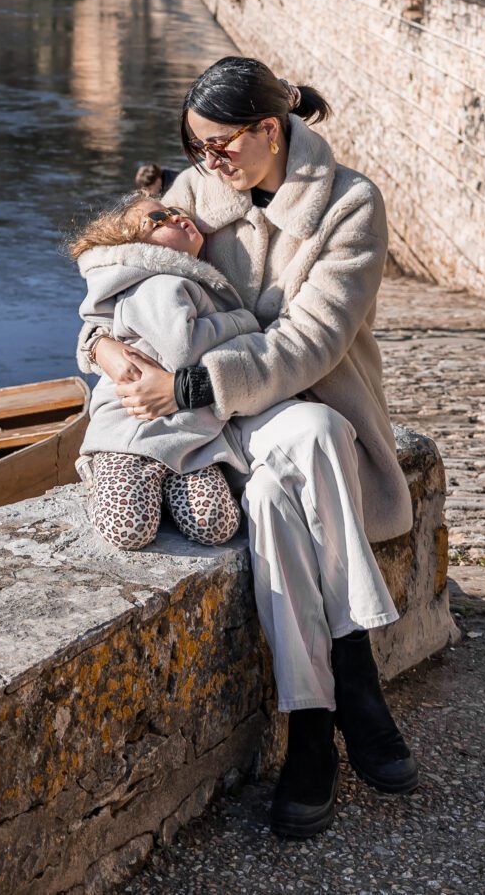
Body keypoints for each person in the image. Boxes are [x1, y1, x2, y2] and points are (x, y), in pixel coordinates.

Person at [79, 57, 417, 840]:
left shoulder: (350, 205)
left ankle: (311, 727)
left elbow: (311, 343)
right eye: (198, 149)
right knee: (293, 461)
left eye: (223, 146)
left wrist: (190, 387)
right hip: (223, 429)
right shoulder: (194, 192)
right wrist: (103, 352)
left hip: (294, 405)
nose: (209, 165)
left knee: (290, 476)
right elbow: (115, 281)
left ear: (271, 129)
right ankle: (357, 680)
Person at [70, 195, 256, 549]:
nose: (174, 218)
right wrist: (244, 320)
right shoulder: (160, 282)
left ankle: (165, 488)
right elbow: (183, 348)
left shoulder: (186, 279)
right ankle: (102, 474)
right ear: (136, 245)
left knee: (216, 524)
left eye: (175, 212)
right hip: (130, 435)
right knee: (128, 529)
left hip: (188, 439)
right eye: (158, 219)